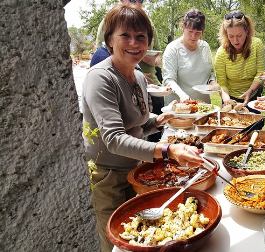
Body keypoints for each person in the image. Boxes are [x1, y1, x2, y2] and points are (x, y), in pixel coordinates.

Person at [82, 4, 204, 252]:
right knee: (116, 242)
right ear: (109, 39)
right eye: (125, 35)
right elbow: (115, 139)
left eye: (141, 37)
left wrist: (159, 121)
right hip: (108, 177)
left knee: (141, 237)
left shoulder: (137, 75)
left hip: (136, 172)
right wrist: (168, 149)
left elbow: (136, 126)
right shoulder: (100, 77)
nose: (134, 43)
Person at [162, 9, 217, 104]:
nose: (193, 36)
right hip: (179, 105)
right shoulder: (172, 49)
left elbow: (210, 73)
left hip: (203, 105)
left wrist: (212, 82)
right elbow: (169, 79)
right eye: (190, 31)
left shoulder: (205, 46)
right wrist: (183, 95)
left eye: (198, 33)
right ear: (183, 27)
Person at [214, 11, 265, 110]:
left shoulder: (257, 44)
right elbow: (222, 83)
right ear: (226, 34)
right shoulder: (221, 53)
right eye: (231, 36)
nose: (235, 41)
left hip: (253, 95)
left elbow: (261, 73)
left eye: (239, 35)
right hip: (230, 97)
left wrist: (250, 91)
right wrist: (227, 100)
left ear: (247, 31)